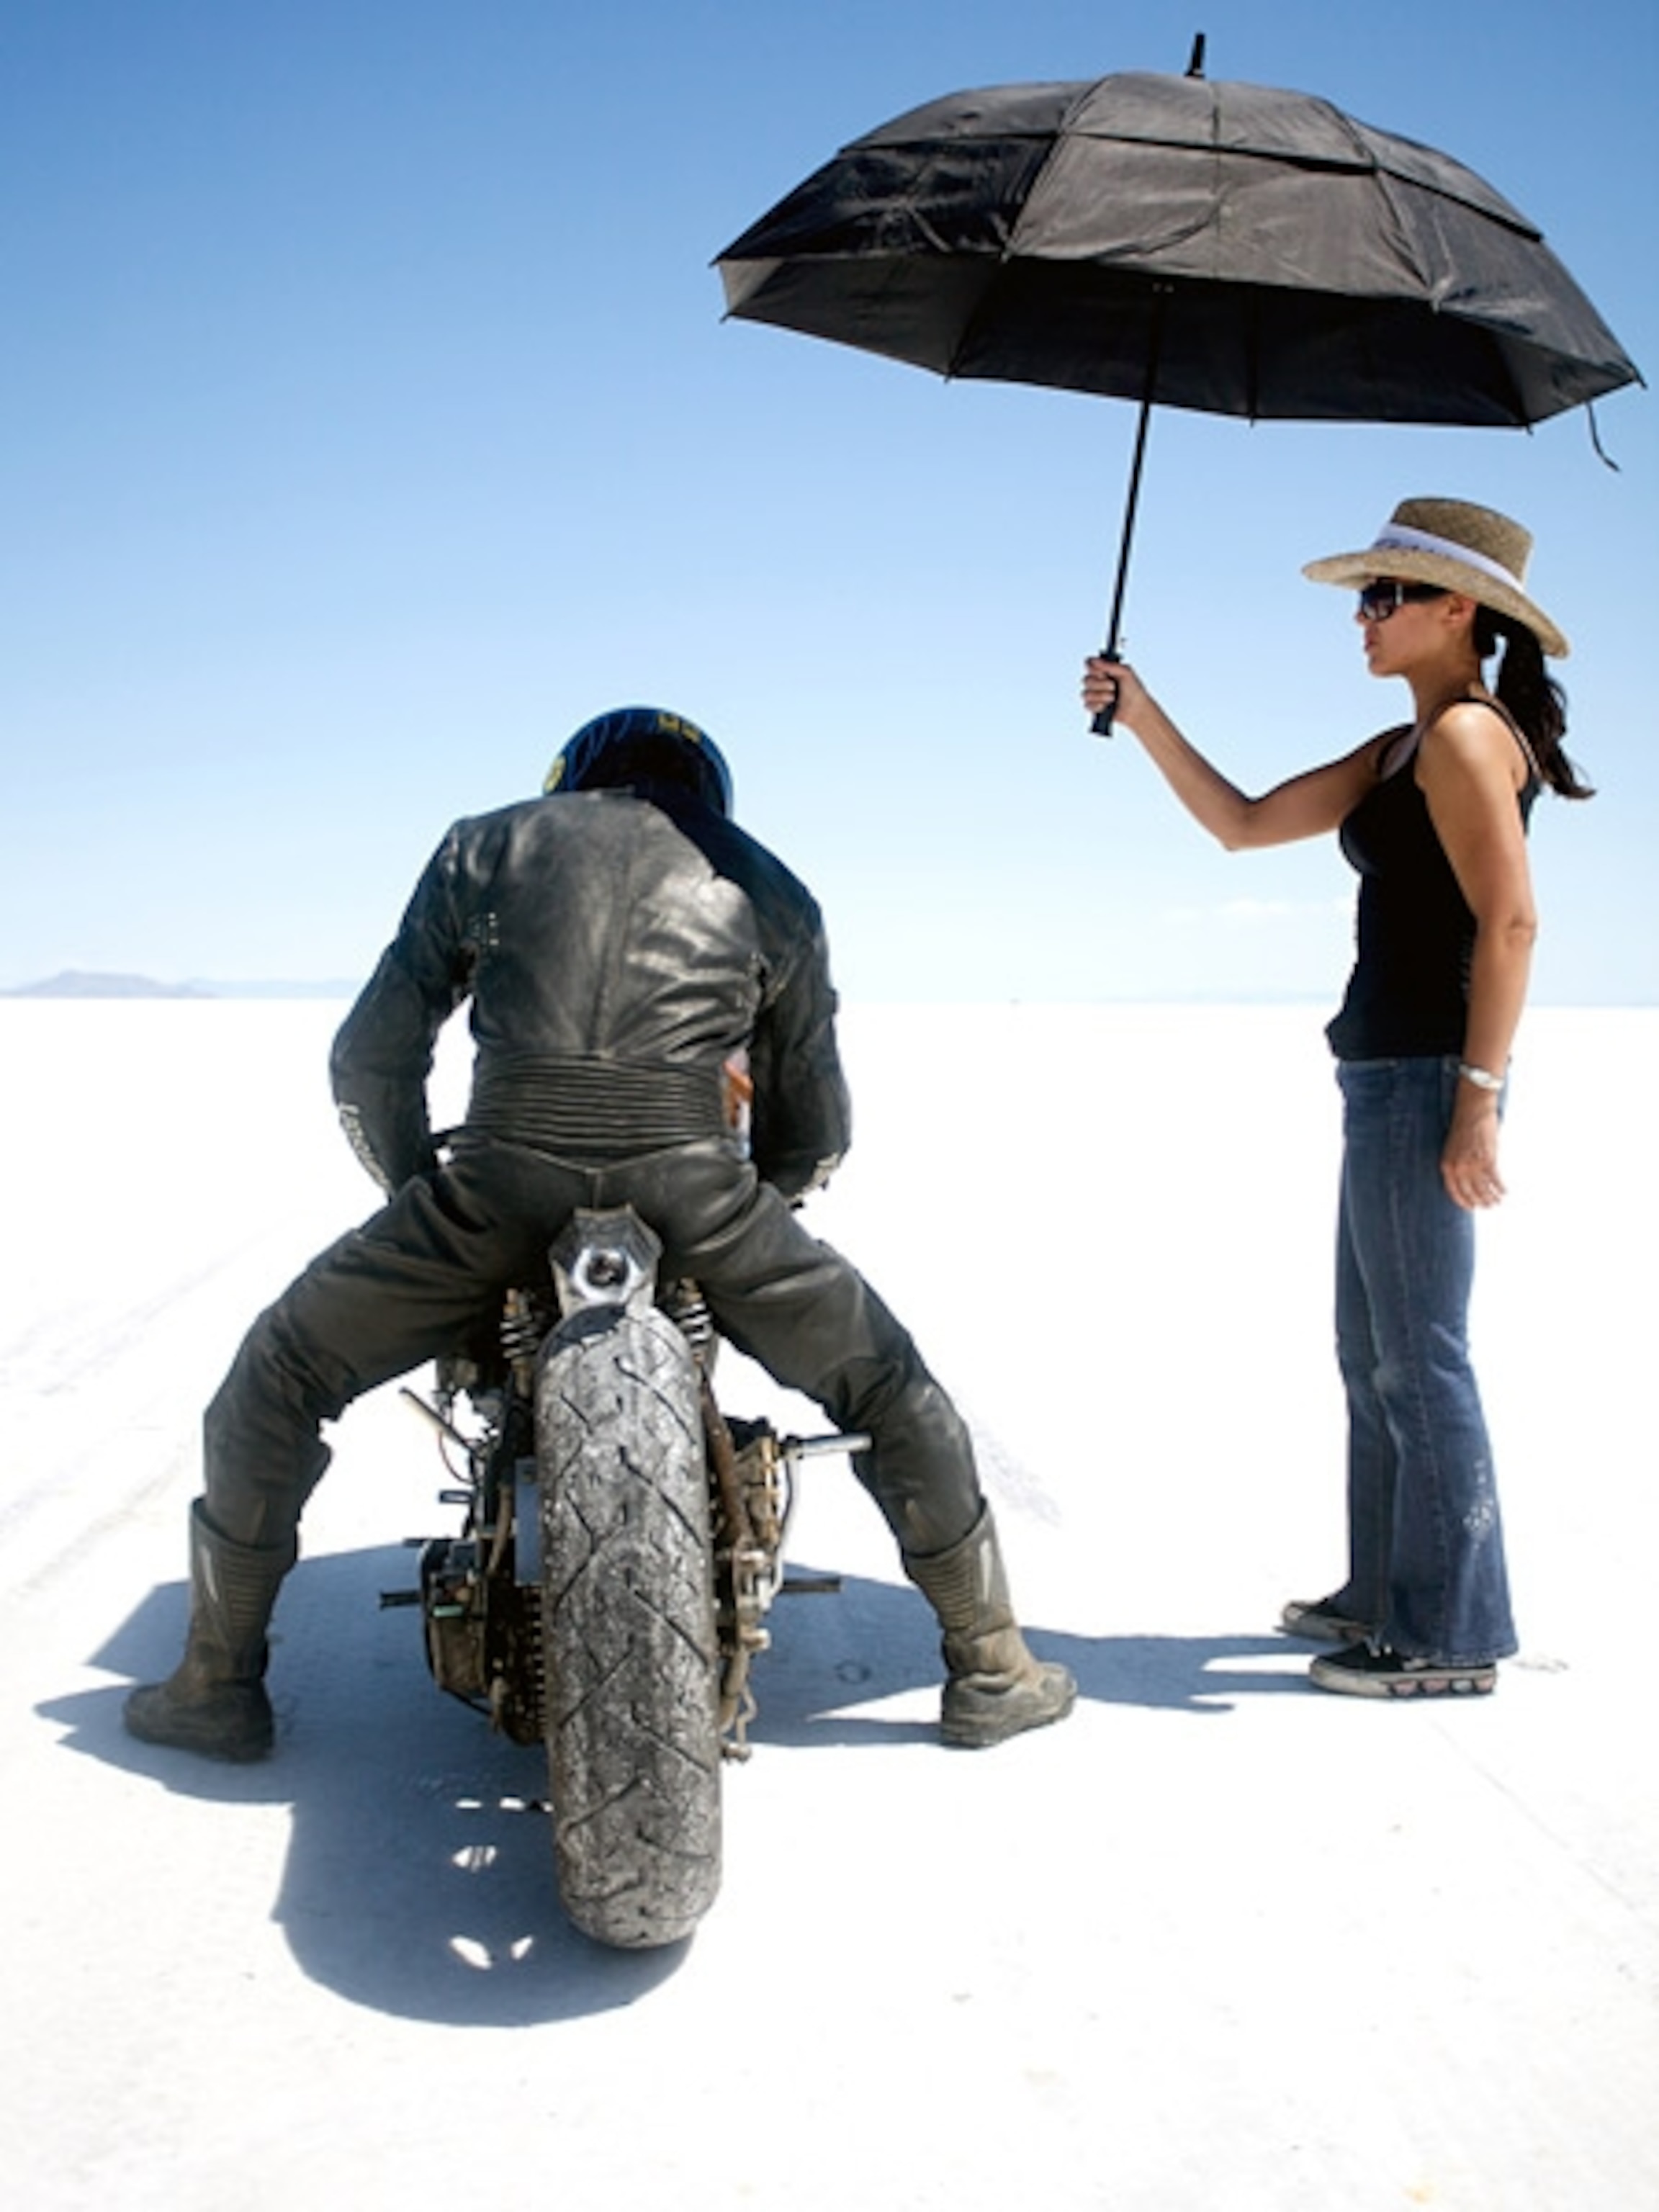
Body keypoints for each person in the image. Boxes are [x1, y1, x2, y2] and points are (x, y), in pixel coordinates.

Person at [125, 706, 1075, 1761]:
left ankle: (214, 1683)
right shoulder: (773, 888)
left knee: (277, 1374)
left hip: (493, 1189)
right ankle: (992, 1665)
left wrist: (418, 1196)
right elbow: (817, 1129)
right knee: (891, 1391)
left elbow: (368, 1061)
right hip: (699, 1196)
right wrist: (759, 1214)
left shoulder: (482, 845)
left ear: (569, 778)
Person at [1082, 499, 1588, 1699]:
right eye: (1366, 596)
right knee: (1372, 1356)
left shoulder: (1469, 737)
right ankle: (1384, 1593)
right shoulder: (1399, 750)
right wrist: (1142, 712)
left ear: (1459, 611)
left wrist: (1480, 1098)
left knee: (1422, 1359)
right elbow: (1244, 825)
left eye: (1388, 597)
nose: (1364, 618)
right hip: (1381, 1080)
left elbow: (1511, 924)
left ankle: (1453, 1633)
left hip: (1427, 1079)